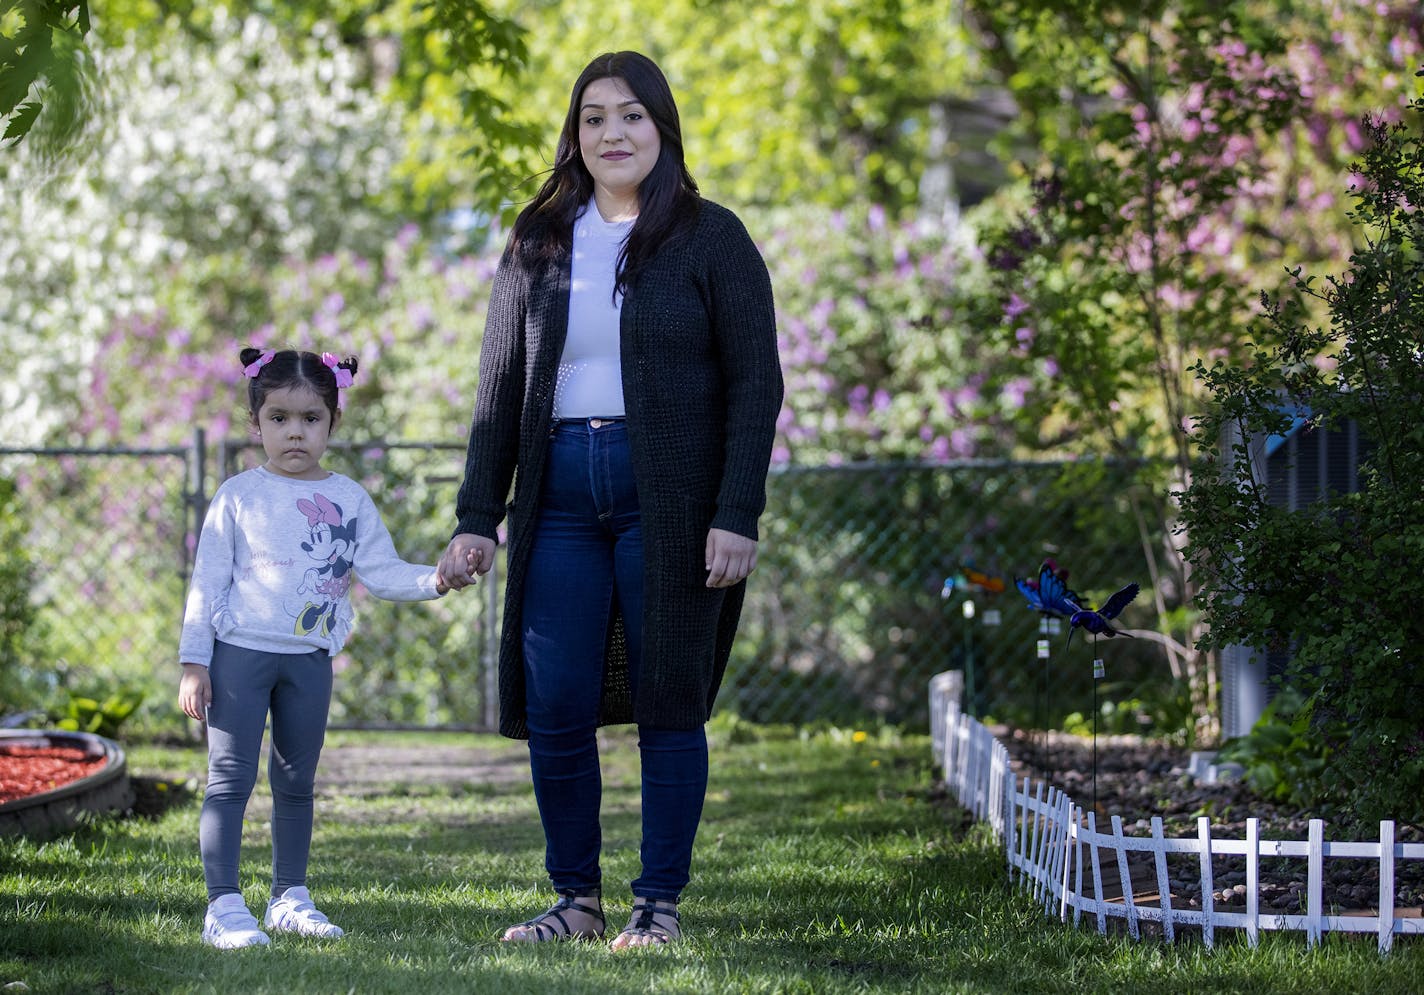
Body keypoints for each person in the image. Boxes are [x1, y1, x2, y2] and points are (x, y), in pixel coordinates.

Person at [437, 50, 783, 949]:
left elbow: (757, 387)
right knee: (555, 699)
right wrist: (478, 515)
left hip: (668, 497)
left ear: (661, 127)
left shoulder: (712, 238)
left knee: (670, 697)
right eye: (593, 117)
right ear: (575, 135)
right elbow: (499, 387)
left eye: (630, 115)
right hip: (556, 494)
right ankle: (575, 903)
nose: (612, 133)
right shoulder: (539, 239)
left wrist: (736, 511)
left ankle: (657, 906)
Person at [178, 347, 461, 949]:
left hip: (310, 661)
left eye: (310, 418)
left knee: (296, 782)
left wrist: (435, 578)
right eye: (278, 418)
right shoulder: (237, 496)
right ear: (256, 425)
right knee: (229, 780)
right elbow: (206, 583)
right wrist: (193, 662)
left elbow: (380, 571)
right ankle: (223, 907)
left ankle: (290, 897)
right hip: (237, 659)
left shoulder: (350, 499)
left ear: (333, 422)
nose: (295, 432)